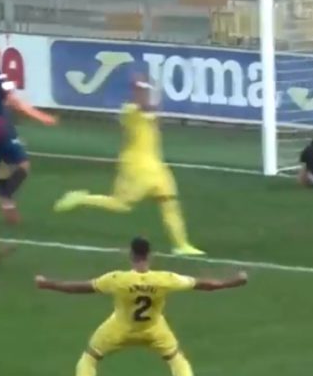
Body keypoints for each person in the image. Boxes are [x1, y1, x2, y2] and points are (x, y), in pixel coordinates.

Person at [35, 237, 248, 376]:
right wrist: (233, 282)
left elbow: (79, 288)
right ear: (149, 255)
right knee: (176, 358)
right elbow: (205, 285)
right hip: (154, 328)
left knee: (90, 357)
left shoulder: (118, 279)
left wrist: (48, 284)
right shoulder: (164, 279)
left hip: (119, 328)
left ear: (131, 255)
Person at [53, 79, 204, 256]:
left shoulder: (147, 113)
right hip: (136, 167)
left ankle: (181, 245)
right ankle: (81, 198)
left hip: (156, 165)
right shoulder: (129, 111)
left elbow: (152, 114)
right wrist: (144, 89)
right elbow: (144, 105)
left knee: (169, 202)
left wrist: (152, 95)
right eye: (142, 93)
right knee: (121, 205)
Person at [0, 37, 57, 224]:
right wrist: (42, 117)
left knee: (2, 166)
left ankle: (7, 206)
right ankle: (1, 199)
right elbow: (16, 102)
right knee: (23, 165)